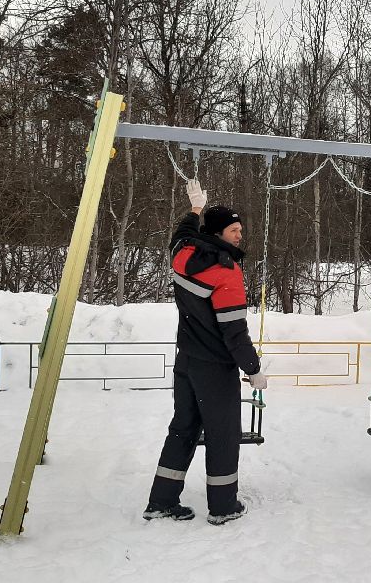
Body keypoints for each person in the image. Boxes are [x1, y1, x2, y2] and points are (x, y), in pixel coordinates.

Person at [143, 179, 267, 525]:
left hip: (187, 362)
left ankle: (162, 501)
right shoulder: (226, 272)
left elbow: (180, 234)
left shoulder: (184, 255)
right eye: (233, 229)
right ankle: (224, 506)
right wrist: (253, 368)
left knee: (183, 428)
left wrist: (195, 208)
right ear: (218, 233)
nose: (240, 235)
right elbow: (234, 331)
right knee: (223, 435)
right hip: (215, 367)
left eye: (241, 229)